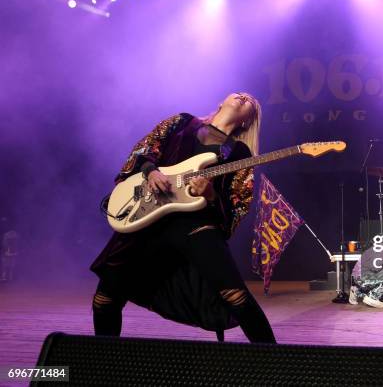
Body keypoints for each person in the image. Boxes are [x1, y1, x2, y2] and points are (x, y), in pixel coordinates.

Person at [90, 92, 276, 343]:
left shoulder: (240, 152)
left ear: (247, 121)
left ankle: (275, 360)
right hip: (149, 215)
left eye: (251, 102)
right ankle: (101, 364)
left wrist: (210, 195)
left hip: (196, 223)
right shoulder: (181, 122)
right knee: (105, 299)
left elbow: (238, 204)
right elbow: (145, 149)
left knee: (236, 296)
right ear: (221, 102)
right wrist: (151, 171)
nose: (244, 97)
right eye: (238, 94)